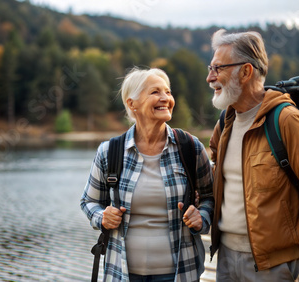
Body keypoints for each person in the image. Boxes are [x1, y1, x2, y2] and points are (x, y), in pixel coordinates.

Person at [206, 29, 299, 282]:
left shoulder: (288, 121)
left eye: (218, 68)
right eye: (210, 68)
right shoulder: (225, 123)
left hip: (278, 267)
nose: (210, 77)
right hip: (226, 261)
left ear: (246, 71)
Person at [81, 67, 214, 282]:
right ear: (132, 104)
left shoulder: (190, 147)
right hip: (121, 273)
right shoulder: (109, 152)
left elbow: (210, 197)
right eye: (155, 92)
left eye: (168, 92)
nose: (166, 98)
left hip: (179, 273)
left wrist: (202, 218)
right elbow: (89, 201)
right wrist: (101, 217)